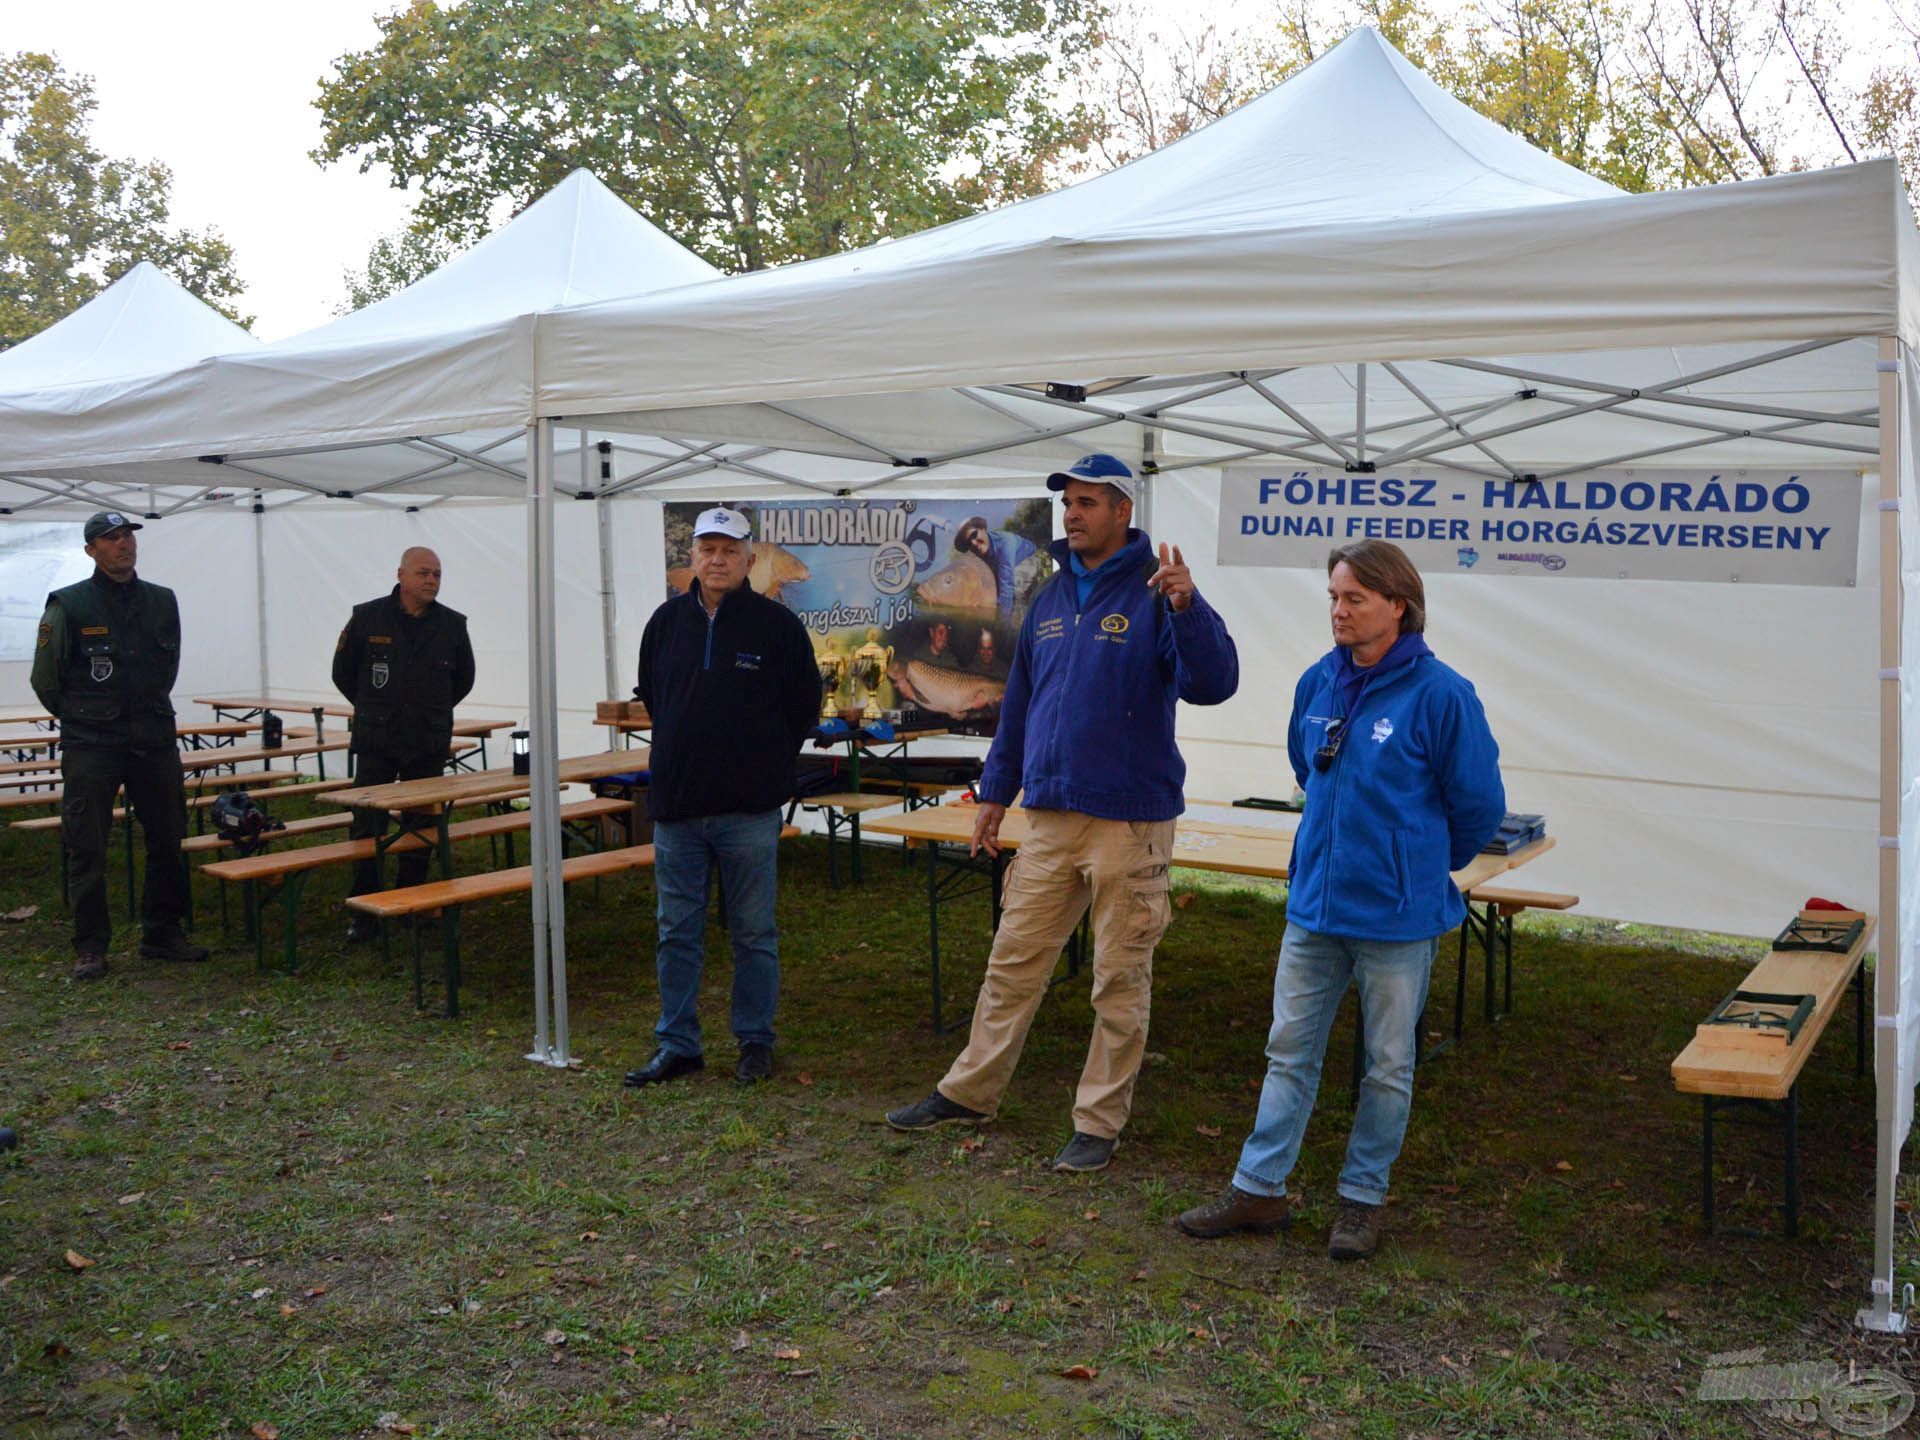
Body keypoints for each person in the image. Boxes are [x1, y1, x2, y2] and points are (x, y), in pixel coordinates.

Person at [885, 454, 1239, 1172]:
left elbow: (1214, 684)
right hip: (1048, 814)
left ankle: (1099, 1122)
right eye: (1068, 503)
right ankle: (968, 1091)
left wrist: (1187, 608)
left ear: (1122, 512)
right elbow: (1020, 707)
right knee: (1011, 963)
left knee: (1118, 977)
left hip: (1128, 819)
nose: (1072, 515)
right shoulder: (1047, 601)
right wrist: (995, 792)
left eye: (1086, 503)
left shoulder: (1155, 593)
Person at [1177, 539, 1505, 1261]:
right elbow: (1307, 768)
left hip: (1396, 918)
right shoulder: (1317, 682)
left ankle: (1361, 1199)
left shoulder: (1443, 694)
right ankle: (1260, 1187)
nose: (1339, 611)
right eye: (1333, 596)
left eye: (1355, 598)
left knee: (1386, 1064)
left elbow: (1479, 806)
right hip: (1315, 909)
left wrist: (1416, 865)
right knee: (1288, 1050)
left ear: (1400, 604)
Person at [625, 506, 819, 1088]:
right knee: (675, 931)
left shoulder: (778, 627)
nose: (716, 559)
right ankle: (678, 1044)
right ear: (692, 558)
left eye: (728, 549)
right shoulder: (664, 623)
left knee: (754, 933)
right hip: (679, 808)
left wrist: (760, 764)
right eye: (707, 548)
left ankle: (755, 1040)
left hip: (748, 811)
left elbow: (802, 709)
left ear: (749, 559)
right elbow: (657, 698)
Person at [30, 511, 207, 980]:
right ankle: (90, 946)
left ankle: (162, 932)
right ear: (91, 550)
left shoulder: (162, 601)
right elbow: (46, 680)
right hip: (92, 743)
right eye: (111, 539)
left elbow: (166, 670)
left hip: (152, 736)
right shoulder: (69, 605)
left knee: (168, 837)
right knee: (86, 844)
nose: (123, 544)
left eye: (127, 536)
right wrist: (88, 718)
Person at [331, 547, 476, 940]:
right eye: (424, 573)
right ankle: (364, 908)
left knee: (422, 822)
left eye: (438, 575)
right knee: (368, 822)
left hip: (426, 739)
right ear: (401, 575)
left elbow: (463, 680)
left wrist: (426, 711)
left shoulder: (453, 624)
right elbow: (343, 673)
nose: (432, 580)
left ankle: (412, 900)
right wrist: (375, 709)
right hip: (377, 738)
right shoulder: (367, 617)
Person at [955, 516, 1039, 620]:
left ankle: (1018, 625)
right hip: (1006, 566)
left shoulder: (1005, 543)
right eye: (968, 543)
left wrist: (1003, 624)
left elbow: (1007, 585)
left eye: (974, 534)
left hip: (1027, 559)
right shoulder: (979, 551)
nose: (974, 543)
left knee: (1015, 591)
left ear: (983, 528)